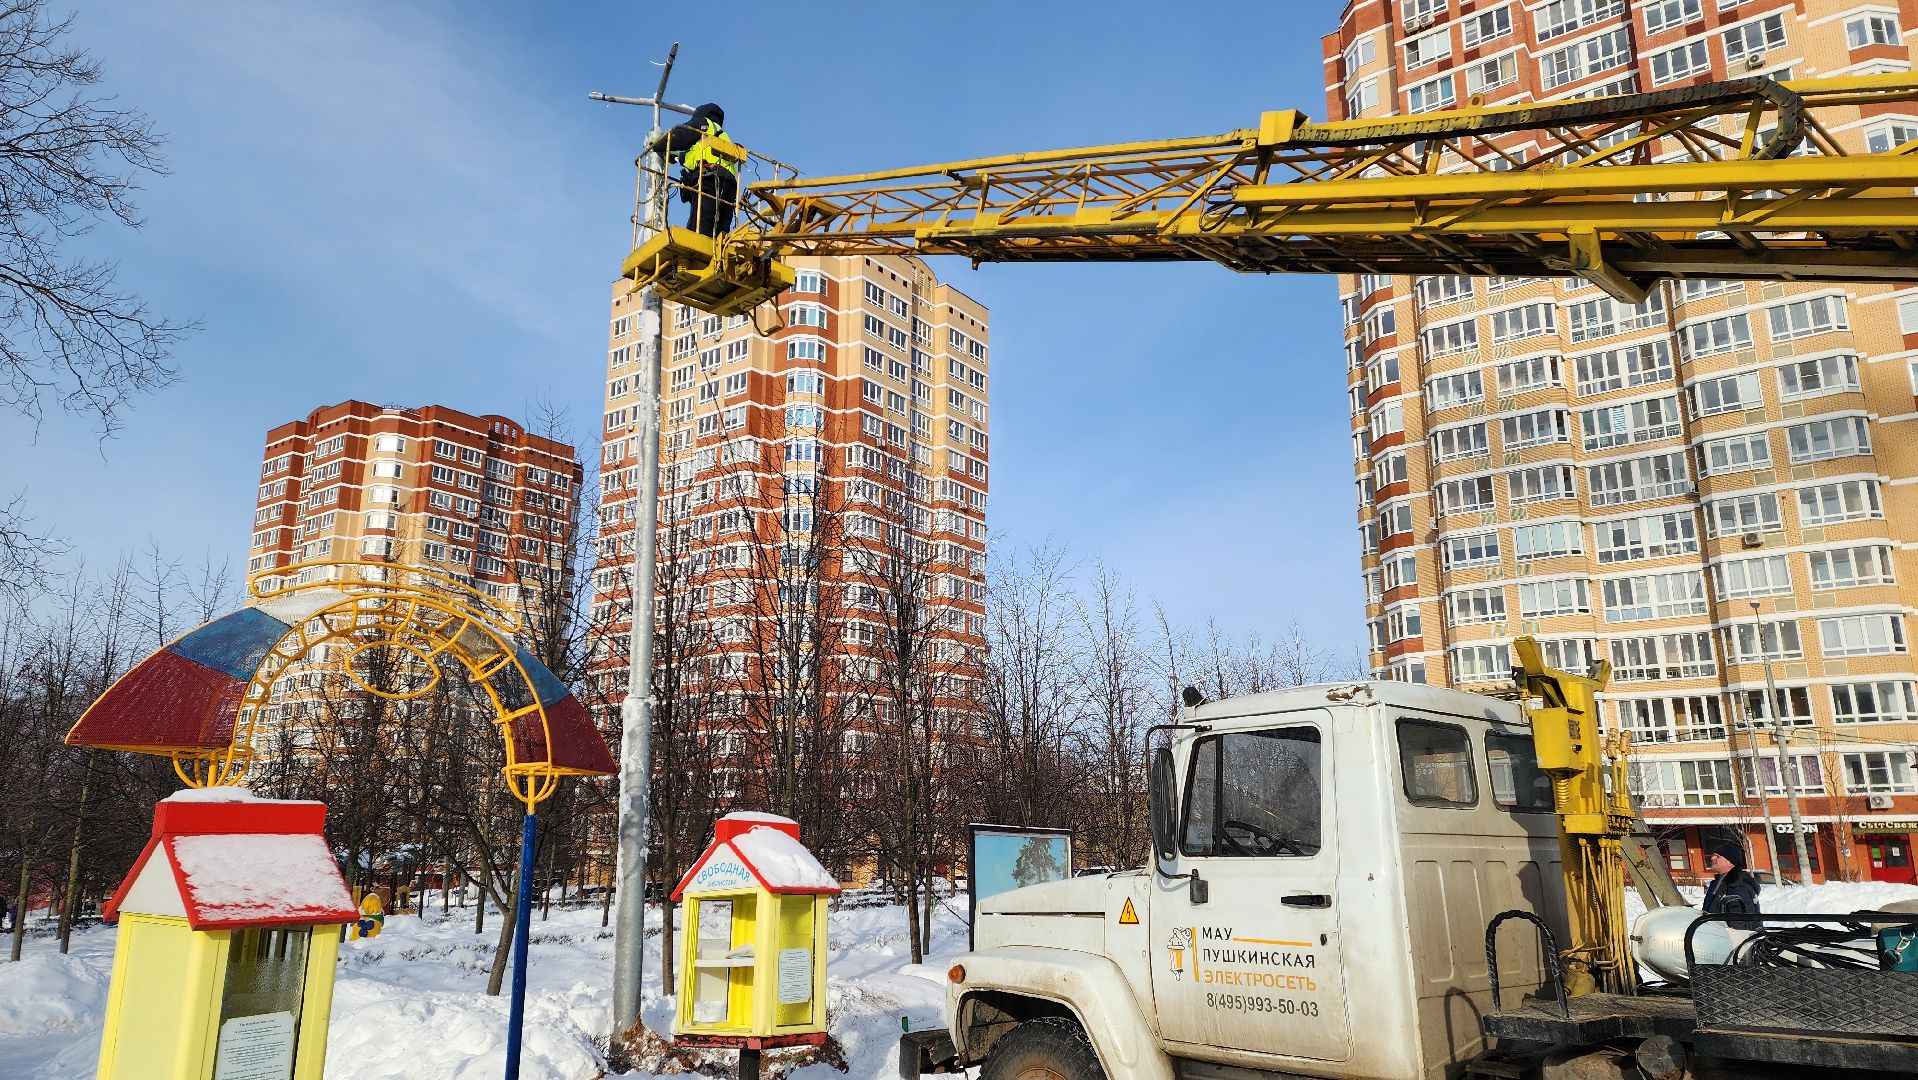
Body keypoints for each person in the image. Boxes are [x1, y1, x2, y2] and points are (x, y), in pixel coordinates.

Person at [651, 102, 739, 238]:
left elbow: (681, 136)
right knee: (721, 234)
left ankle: (696, 255)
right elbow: (696, 152)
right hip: (730, 186)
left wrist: (659, 143)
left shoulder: (703, 124)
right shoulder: (724, 137)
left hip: (711, 179)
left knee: (700, 226)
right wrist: (677, 156)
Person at [1703, 842, 1761, 929]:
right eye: (1713, 855)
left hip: (1732, 939)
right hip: (1714, 935)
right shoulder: (1717, 883)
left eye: (1717, 856)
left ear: (1730, 863)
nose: (1712, 858)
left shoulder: (1738, 885)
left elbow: (1740, 924)